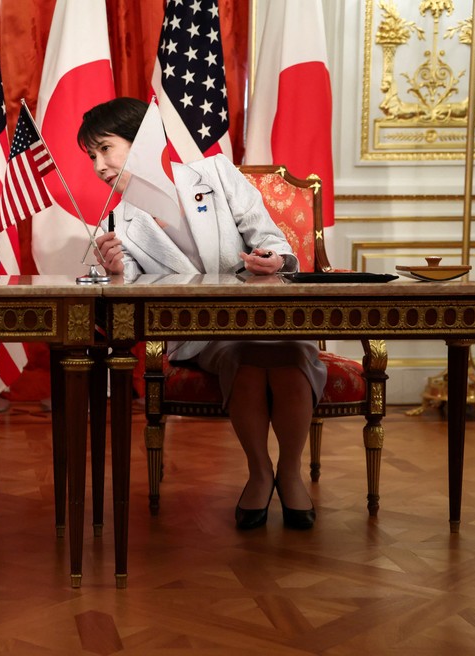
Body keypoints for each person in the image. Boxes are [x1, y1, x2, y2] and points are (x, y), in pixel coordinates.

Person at [79, 98, 326, 530]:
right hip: (202, 331)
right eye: (91, 156)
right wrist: (118, 270)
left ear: (140, 140)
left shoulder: (214, 173)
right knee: (243, 358)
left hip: (264, 315)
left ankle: (289, 470)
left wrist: (274, 259)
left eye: (105, 148)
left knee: (287, 351)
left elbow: (270, 237)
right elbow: (133, 286)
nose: (98, 165)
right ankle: (260, 471)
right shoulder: (117, 220)